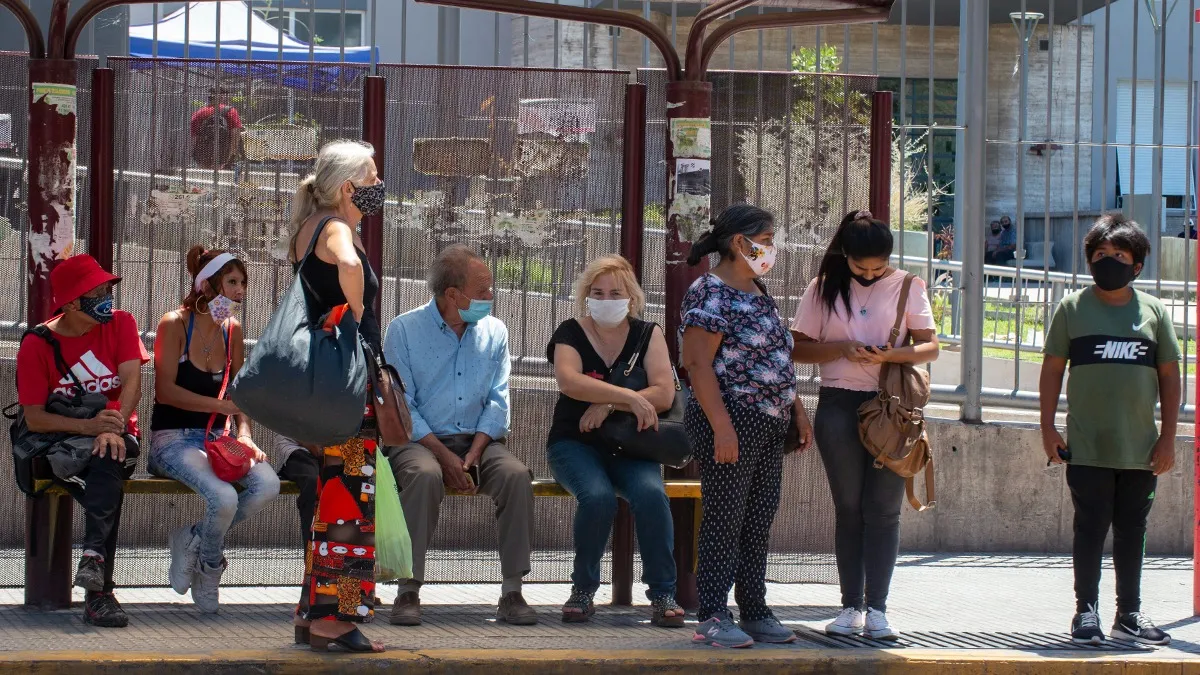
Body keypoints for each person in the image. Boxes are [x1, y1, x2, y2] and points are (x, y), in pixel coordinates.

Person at [790, 209, 940, 641]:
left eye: (879, 267)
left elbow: (930, 346)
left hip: (892, 408)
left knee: (885, 510)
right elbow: (797, 349)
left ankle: (878, 609)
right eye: (861, 267)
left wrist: (888, 356)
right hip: (838, 403)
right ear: (845, 256)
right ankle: (850, 606)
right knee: (850, 508)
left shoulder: (909, 286)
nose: (871, 275)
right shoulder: (821, 288)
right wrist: (843, 349)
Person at [1040, 214, 1179, 647]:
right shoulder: (1072, 309)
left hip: (1140, 450)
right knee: (1090, 527)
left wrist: (1169, 436)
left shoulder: (1154, 312)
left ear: (1137, 265)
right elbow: (1051, 372)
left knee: (1132, 531)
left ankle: (1129, 614)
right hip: (1086, 447)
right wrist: (1047, 427)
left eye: (1120, 255)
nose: (1109, 262)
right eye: (1100, 255)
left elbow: (1172, 377)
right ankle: (1086, 612)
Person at [680, 204, 813, 648]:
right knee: (724, 518)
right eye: (768, 239)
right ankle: (713, 614)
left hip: (769, 422)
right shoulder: (709, 291)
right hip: (731, 418)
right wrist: (721, 427)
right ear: (741, 243)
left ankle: (754, 608)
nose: (772, 248)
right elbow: (697, 365)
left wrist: (795, 407)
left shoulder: (758, 288)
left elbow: (774, 354)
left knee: (758, 519)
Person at [382, 244, 536, 627]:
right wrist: (444, 456)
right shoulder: (403, 330)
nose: (491, 296)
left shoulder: (495, 330)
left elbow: (499, 400)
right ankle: (408, 589)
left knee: (516, 476)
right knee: (424, 475)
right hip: (419, 442)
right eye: (483, 289)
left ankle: (512, 591)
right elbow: (403, 407)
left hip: (479, 442)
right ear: (453, 294)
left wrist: (474, 452)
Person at [545, 255, 685, 627]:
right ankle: (583, 590)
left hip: (632, 445)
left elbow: (665, 393)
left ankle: (663, 593)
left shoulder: (647, 333)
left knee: (652, 494)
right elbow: (569, 381)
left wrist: (608, 402)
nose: (606, 299)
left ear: (632, 298)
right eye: (598, 292)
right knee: (598, 496)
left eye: (615, 293)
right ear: (585, 296)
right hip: (575, 442)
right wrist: (632, 397)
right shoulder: (570, 332)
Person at [288, 140, 387, 653]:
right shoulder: (335, 228)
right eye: (371, 178)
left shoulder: (309, 226)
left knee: (334, 499)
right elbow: (348, 265)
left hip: (324, 388)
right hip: (347, 390)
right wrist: (357, 308)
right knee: (350, 501)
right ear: (348, 186)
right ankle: (336, 618)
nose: (378, 187)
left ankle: (312, 612)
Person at [15, 254, 149, 627]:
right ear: (72, 302)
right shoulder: (37, 344)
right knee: (106, 471)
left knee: (108, 456)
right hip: (62, 444)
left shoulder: (122, 324)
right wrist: (91, 429)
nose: (108, 296)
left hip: (119, 435)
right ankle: (99, 590)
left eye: (108, 288)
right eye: (98, 290)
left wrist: (112, 425)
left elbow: (133, 384)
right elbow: (35, 417)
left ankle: (95, 568)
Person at [150, 247, 279, 614]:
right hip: (173, 439)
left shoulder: (232, 329)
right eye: (232, 282)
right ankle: (210, 568)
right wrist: (223, 407)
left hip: (218, 441)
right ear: (207, 285)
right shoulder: (173, 323)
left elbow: (239, 394)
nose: (240, 291)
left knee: (267, 484)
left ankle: (191, 539)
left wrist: (245, 434)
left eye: (243, 283)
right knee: (223, 498)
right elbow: (165, 391)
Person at [190, 87, 244, 171]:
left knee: (205, 181)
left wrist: (198, 158)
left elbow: (194, 140)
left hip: (204, 158)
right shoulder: (230, 111)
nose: (228, 99)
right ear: (222, 97)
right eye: (227, 96)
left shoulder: (198, 114)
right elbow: (235, 135)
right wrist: (230, 157)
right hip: (223, 157)